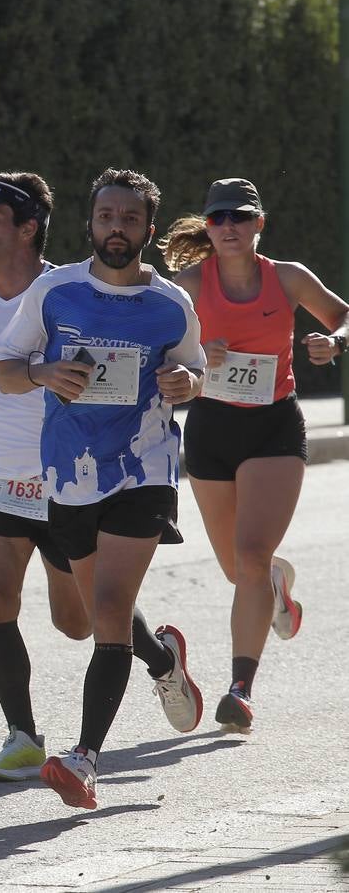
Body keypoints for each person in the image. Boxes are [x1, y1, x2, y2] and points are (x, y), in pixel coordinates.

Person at [0, 168, 207, 810]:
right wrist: (42, 371)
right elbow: (4, 372)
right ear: (90, 223)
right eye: (108, 216)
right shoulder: (54, 291)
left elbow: (194, 370)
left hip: (141, 467)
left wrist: (187, 386)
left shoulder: (171, 304)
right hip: (67, 472)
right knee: (91, 618)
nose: (118, 227)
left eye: (131, 218)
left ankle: (84, 758)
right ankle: (163, 658)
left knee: (110, 609)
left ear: (147, 228)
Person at [159, 178, 349, 733]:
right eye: (218, 219)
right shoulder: (188, 285)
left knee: (250, 554)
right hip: (212, 428)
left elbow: (344, 316)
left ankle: (239, 688)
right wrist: (197, 354)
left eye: (240, 217)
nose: (229, 228)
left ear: (259, 223)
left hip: (273, 427)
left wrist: (334, 343)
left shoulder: (286, 278)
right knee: (238, 569)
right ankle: (275, 588)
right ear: (208, 227)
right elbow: (152, 346)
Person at [0, 173, 92, 782]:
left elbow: (94, 368)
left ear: (28, 229)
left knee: (80, 620)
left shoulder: (69, 295)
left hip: (63, 475)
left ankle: (160, 655)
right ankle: (23, 736)